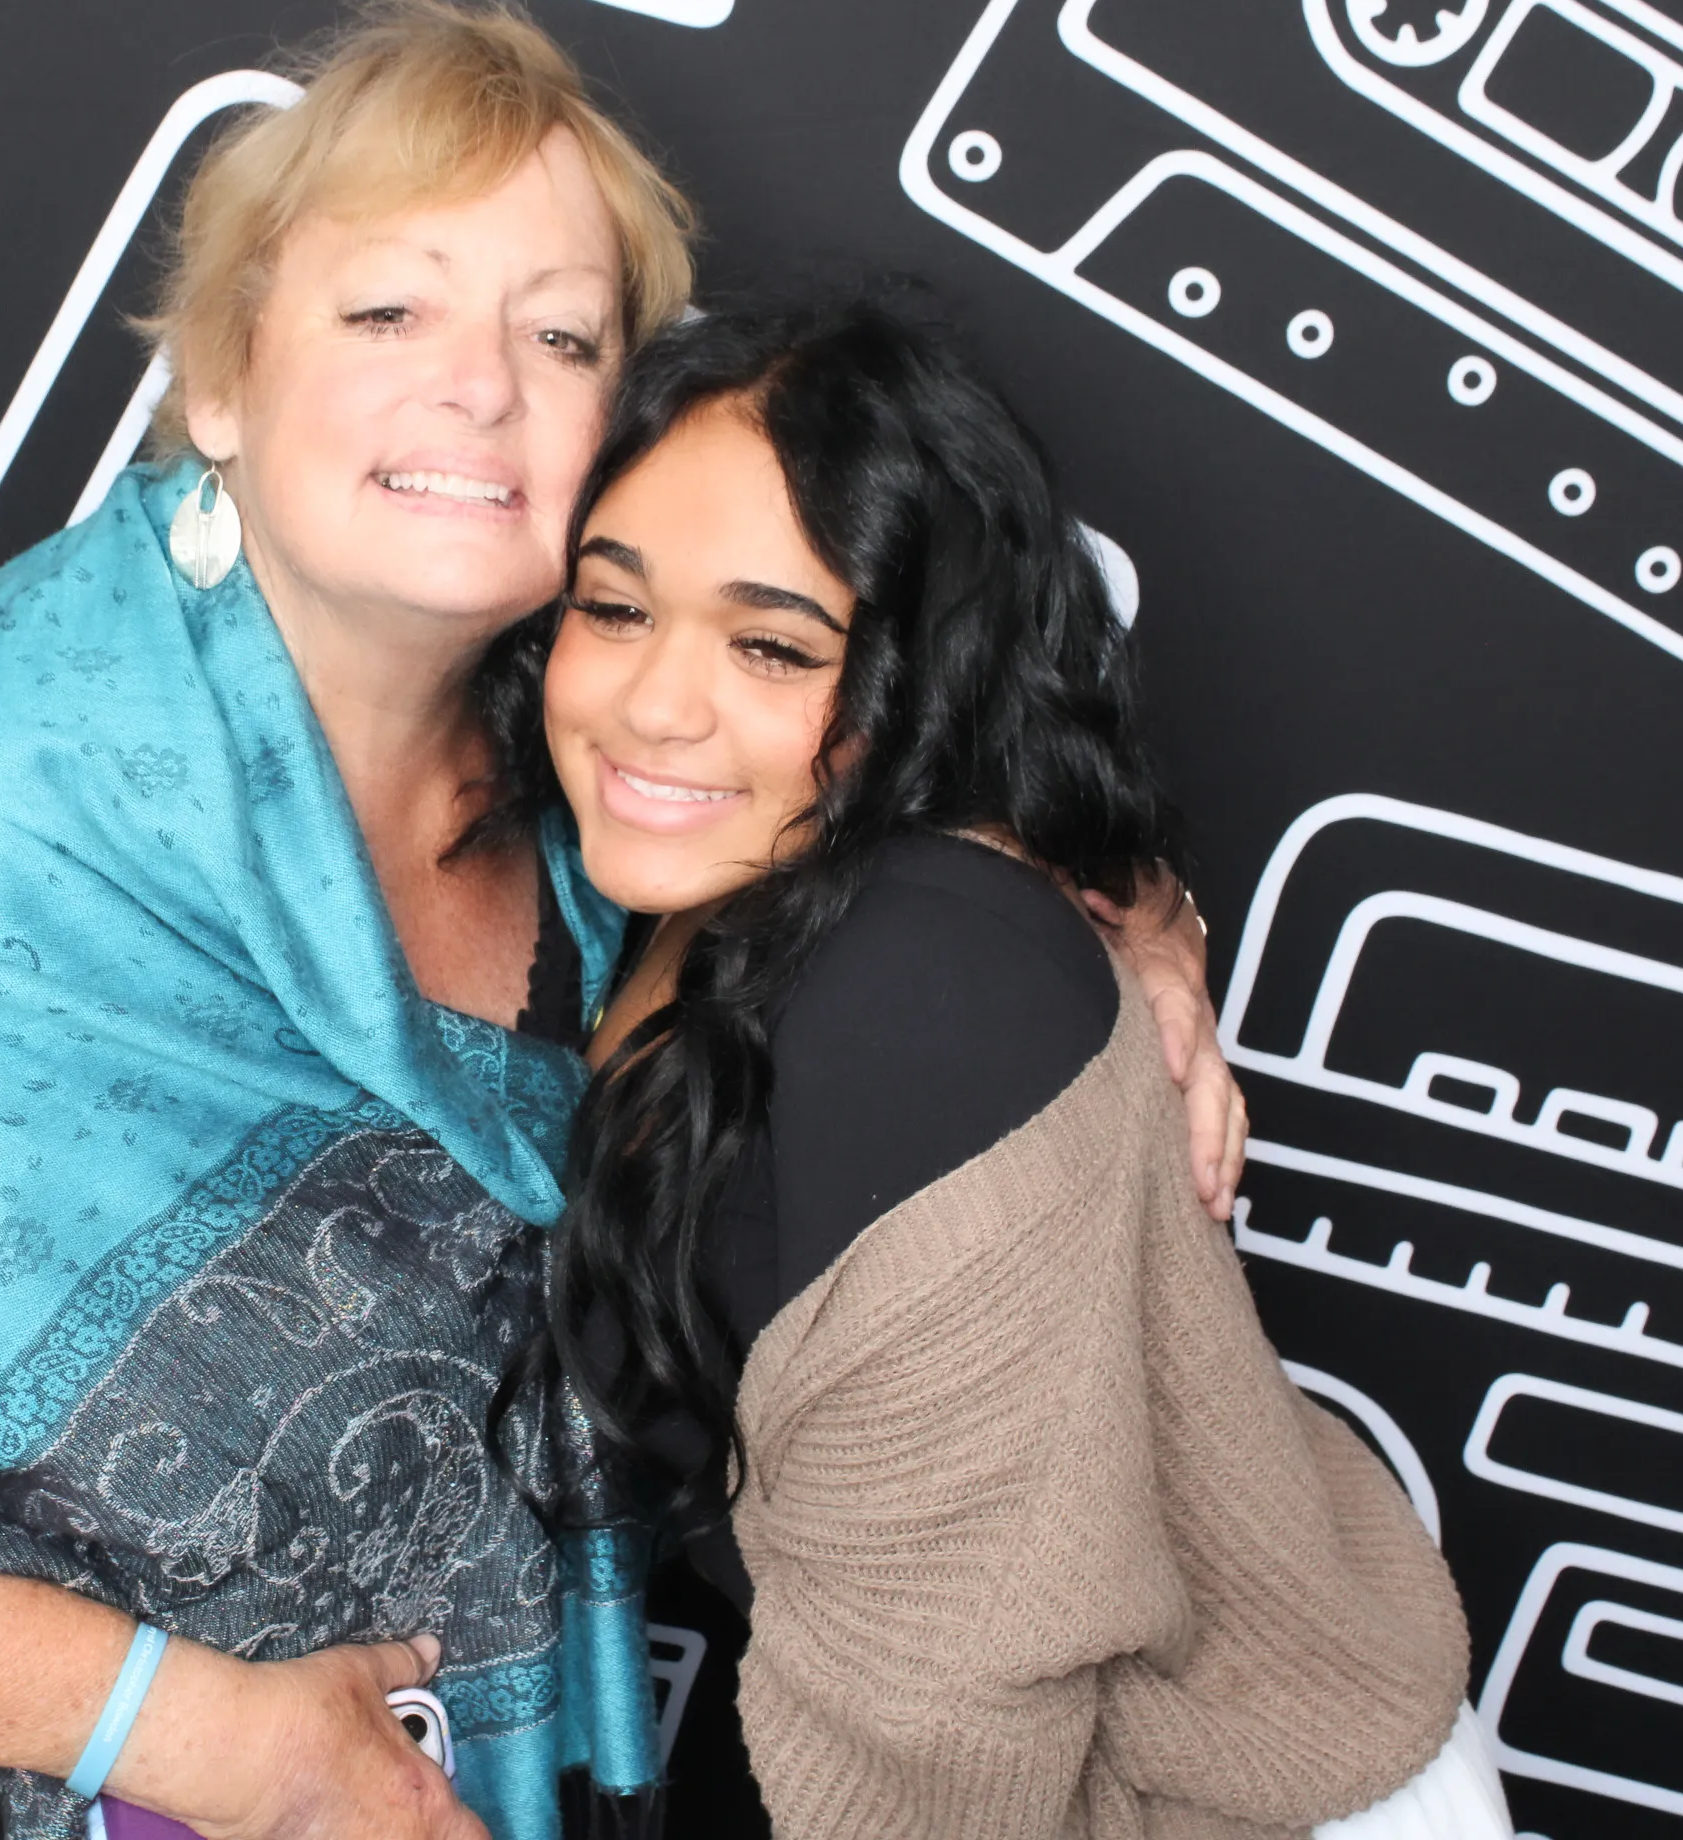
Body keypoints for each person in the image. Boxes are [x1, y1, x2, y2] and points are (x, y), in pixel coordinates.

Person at [0, 0, 1240, 1840]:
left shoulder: (601, 729)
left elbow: (929, 740)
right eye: (390, 312)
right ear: (222, 385)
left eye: (559, 335)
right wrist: (230, 1748)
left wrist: (1133, 931)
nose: (480, 386)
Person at [512, 304, 1508, 1839]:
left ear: (924, 678)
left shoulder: (919, 983)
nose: (653, 703)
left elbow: (953, 1720)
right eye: (616, 606)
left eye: (773, 645)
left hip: (1209, 1801)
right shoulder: (696, 891)